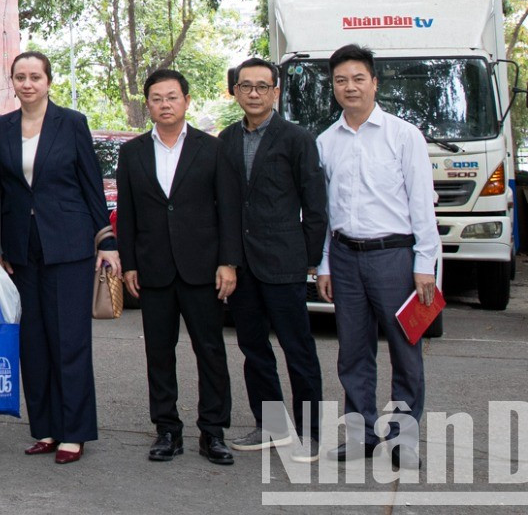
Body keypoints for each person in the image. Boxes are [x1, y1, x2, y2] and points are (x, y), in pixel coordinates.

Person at [0, 50, 116, 466]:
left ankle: (74, 432)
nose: (28, 84)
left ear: (48, 81)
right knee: (33, 343)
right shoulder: (1, 128)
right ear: (13, 82)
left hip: (69, 247)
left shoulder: (72, 123)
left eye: (35, 77)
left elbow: (91, 185)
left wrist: (106, 240)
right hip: (21, 251)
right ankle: (44, 429)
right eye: (20, 77)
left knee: (69, 341)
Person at [316, 43, 439, 467]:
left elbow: (423, 205)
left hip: (395, 258)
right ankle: (361, 434)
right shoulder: (325, 141)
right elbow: (328, 212)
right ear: (333, 87)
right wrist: (326, 264)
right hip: (346, 258)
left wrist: (426, 266)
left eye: (358, 78)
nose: (350, 87)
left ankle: (404, 438)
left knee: (406, 348)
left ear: (374, 82)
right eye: (340, 80)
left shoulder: (403, 135)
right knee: (352, 350)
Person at [115, 68, 242, 467]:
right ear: (147, 105)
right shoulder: (132, 152)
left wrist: (228, 262)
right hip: (153, 270)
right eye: (156, 98)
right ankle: (167, 429)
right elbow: (129, 214)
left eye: (172, 97)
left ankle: (213, 432)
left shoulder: (212, 148)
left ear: (187, 101)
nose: (164, 104)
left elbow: (229, 210)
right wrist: (130, 264)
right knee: (159, 352)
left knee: (210, 351)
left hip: (203, 268)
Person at [219, 57, 327, 457]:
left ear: (275, 92)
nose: (253, 93)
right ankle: (271, 425)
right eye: (245, 86)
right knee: (254, 350)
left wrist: (310, 260)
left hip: (285, 262)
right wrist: (227, 259)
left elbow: (316, 206)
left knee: (298, 349)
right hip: (242, 265)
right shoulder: (226, 139)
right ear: (235, 92)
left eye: (262, 86)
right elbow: (226, 205)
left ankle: (312, 432)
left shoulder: (297, 138)